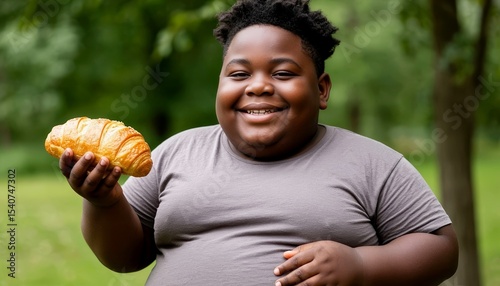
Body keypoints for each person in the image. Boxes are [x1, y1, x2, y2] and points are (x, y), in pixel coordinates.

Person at [59, 0, 459, 285]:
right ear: (219, 86)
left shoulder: (371, 163)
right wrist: (105, 202)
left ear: (321, 90)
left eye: (283, 73)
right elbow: (125, 258)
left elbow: (440, 251)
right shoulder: (178, 153)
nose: (259, 86)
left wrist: (360, 265)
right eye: (238, 74)